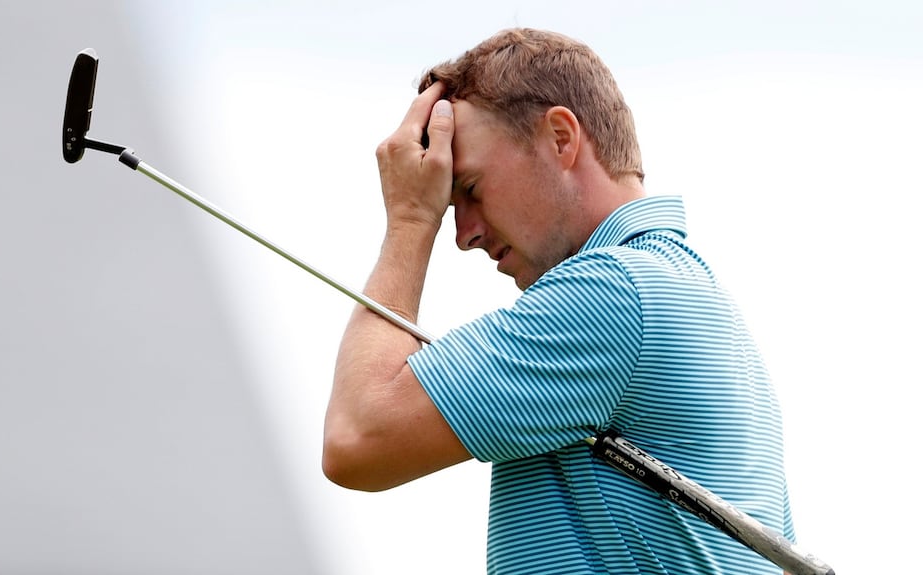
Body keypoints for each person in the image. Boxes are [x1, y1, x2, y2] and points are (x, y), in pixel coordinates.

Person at [323, 28, 796, 574]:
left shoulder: (613, 293)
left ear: (560, 138)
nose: (463, 234)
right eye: (448, 205)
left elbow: (358, 439)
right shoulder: (694, 296)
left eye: (470, 188)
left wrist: (410, 219)